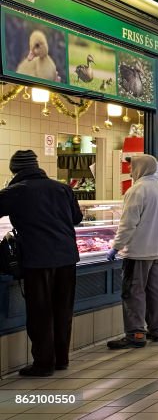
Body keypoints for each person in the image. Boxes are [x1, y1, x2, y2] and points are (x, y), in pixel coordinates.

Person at [0, 150, 82, 376]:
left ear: (14, 169)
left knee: (40, 311)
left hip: (38, 259)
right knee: (62, 309)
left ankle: (44, 363)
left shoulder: (16, 191)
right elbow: (77, 218)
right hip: (67, 257)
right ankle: (61, 359)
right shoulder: (63, 188)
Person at [106, 155, 158, 349]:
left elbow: (127, 224)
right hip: (157, 251)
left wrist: (116, 247)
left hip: (138, 252)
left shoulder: (137, 190)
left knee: (133, 293)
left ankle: (135, 333)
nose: (130, 171)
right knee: (154, 292)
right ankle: (157, 329)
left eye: (132, 167)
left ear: (141, 168)